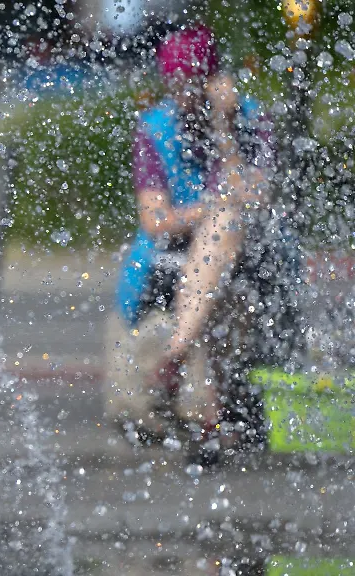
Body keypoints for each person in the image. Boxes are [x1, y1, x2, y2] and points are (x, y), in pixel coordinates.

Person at [106, 26, 275, 462]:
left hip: (247, 253)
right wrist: (211, 208)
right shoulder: (155, 128)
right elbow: (156, 219)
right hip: (176, 258)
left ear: (214, 81)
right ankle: (212, 417)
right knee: (220, 219)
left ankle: (177, 353)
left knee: (227, 221)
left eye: (193, 84)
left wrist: (223, 129)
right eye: (176, 86)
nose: (185, 97)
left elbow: (257, 198)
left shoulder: (250, 120)